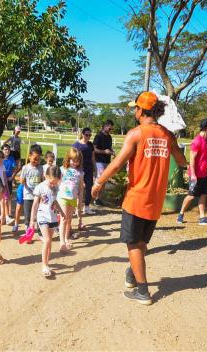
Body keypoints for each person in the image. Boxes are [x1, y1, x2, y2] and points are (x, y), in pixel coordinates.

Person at [92, 92, 187, 305]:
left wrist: (99, 183)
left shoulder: (136, 134)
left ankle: (142, 291)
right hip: (155, 201)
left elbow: (116, 164)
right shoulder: (168, 135)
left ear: (141, 110)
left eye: (135, 108)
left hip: (136, 199)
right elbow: (181, 161)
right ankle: (132, 273)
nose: (134, 111)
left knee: (133, 245)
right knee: (142, 242)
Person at [177, 118, 207, 225]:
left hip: (204, 174)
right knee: (191, 195)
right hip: (196, 175)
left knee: (203, 194)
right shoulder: (197, 141)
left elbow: (204, 154)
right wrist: (193, 174)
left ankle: (202, 218)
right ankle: (180, 214)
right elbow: (192, 159)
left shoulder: (205, 140)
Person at [30, 166, 66, 277]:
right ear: (46, 176)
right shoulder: (40, 187)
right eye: (51, 182)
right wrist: (32, 220)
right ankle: (44, 265)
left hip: (53, 217)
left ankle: (47, 261)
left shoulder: (55, 188)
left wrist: (62, 212)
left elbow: (54, 201)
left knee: (49, 241)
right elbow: (35, 204)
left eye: (55, 183)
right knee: (46, 240)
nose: (53, 185)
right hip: (42, 217)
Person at [58, 147, 84, 252]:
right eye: (72, 160)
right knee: (63, 219)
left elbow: (81, 189)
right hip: (63, 197)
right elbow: (57, 183)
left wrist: (80, 202)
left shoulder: (80, 173)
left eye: (77, 160)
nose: (74, 162)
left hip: (73, 199)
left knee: (69, 220)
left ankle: (66, 238)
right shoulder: (62, 169)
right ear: (68, 159)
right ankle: (61, 242)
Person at [73, 127, 96, 215]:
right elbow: (73, 157)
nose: (88, 137)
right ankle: (76, 208)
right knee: (77, 188)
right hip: (79, 170)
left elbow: (93, 157)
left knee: (89, 187)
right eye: (86, 135)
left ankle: (86, 207)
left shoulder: (90, 145)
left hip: (89, 169)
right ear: (82, 134)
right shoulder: (76, 145)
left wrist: (95, 169)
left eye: (90, 135)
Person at [20, 144, 44, 230]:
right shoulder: (25, 168)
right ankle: (27, 228)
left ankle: (38, 227)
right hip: (28, 195)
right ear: (29, 156)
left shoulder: (41, 168)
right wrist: (24, 183)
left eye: (38, 159)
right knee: (27, 212)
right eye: (34, 159)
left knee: (38, 212)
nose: (36, 161)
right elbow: (22, 180)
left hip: (37, 196)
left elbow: (42, 180)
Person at [93, 120, 115, 206]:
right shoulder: (98, 136)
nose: (110, 130)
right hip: (99, 162)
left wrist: (112, 152)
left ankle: (98, 198)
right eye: (109, 128)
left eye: (111, 129)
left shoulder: (109, 137)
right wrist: (104, 152)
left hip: (107, 161)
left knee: (104, 181)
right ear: (105, 126)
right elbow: (94, 149)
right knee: (100, 180)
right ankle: (94, 198)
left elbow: (109, 148)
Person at [0, 150, 14, 225]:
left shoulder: (3, 166)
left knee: (5, 201)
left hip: (3, 186)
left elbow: (4, 176)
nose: (0, 162)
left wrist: (6, 186)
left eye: (1, 160)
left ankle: (7, 217)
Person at [1, 143, 18, 221]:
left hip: (8, 179)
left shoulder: (11, 159)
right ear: (2, 150)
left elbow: (15, 168)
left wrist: (12, 177)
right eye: (5, 149)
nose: (7, 151)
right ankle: (2, 213)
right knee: (1, 196)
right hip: (1, 179)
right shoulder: (0, 159)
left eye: (8, 149)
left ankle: (9, 212)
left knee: (9, 195)